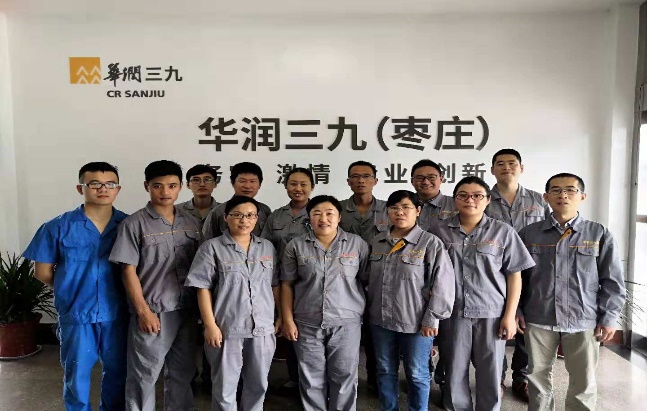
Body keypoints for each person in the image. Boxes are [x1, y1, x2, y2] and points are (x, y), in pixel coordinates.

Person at [23, 162, 128, 411]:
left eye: (110, 184)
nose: (103, 189)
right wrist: (70, 289)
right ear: (81, 188)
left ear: (118, 189)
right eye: (95, 183)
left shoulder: (128, 225)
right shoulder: (57, 227)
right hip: (76, 313)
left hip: (118, 313)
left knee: (118, 371)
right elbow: (42, 272)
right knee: (77, 374)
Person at [518, 173, 626, 411]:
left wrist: (609, 317)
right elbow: (517, 278)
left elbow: (612, 281)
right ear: (546, 197)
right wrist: (517, 310)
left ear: (582, 196)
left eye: (570, 190)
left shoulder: (599, 234)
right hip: (539, 317)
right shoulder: (529, 234)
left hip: (583, 319)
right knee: (536, 378)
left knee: (583, 381)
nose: (563, 195)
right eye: (556, 190)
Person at [429, 176, 535, 411]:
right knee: (453, 370)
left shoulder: (503, 232)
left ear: (488, 200)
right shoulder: (439, 231)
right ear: (455, 200)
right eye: (463, 195)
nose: (470, 200)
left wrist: (509, 316)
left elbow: (514, 275)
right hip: (452, 313)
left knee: (491, 371)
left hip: (491, 313)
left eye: (477, 195)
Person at [109, 160, 201, 411]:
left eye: (172, 185)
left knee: (183, 372)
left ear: (181, 187)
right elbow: (127, 271)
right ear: (146, 186)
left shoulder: (191, 222)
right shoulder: (134, 224)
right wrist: (143, 311)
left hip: (186, 309)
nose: (165, 192)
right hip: (154, 311)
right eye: (158, 186)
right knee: (144, 374)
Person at [361, 189, 455, 411]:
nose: (400, 212)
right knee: (385, 370)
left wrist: (432, 319)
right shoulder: (377, 242)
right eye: (394, 208)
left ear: (418, 211)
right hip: (380, 320)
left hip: (416, 323)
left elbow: (443, 284)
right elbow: (364, 278)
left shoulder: (430, 243)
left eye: (406, 207)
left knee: (417, 373)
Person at [186, 195, 280, 411]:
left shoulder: (267, 248)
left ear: (257, 219)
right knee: (225, 388)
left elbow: (275, 284)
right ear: (226, 218)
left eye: (250, 215)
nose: (244, 220)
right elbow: (202, 288)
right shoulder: (211, 248)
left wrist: (280, 317)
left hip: (262, 329)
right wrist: (210, 325)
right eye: (237, 215)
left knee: (258, 385)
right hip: (226, 329)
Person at [281, 195, 369, 411]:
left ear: (339, 217)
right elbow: (287, 285)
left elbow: (366, 281)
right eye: (317, 213)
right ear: (309, 217)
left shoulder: (357, 244)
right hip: (306, 322)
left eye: (330, 213)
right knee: (311, 379)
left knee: (344, 376)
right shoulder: (296, 246)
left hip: (346, 323)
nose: (323, 218)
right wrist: (288, 320)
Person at [485, 148, 550, 401]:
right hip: (495, 272)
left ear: (521, 168)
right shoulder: (484, 199)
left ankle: (521, 378)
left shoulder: (538, 200)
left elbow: (549, 230)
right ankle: (497, 378)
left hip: (533, 271)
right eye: (500, 163)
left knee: (527, 325)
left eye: (512, 163)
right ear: (492, 169)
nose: (506, 167)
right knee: (495, 324)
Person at [260, 167, 315, 397]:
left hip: (309, 282)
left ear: (312, 187)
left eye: (303, 184)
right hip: (280, 282)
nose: (298, 188)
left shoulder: (318, 212)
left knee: (306, 330)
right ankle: (293, 377)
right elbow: (264, 246)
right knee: (286, 328)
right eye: (293, 184)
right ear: (285, 186)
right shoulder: (276, 216)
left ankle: (310, 382)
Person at [339, 160, 389, 392]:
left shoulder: (388, 209)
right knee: (346, 333)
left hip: (379, 279)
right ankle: (343, 382)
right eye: (355, 176)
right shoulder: (337, 209)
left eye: (366, 176)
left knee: (376, 332)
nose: (361, 180)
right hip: (345, 281)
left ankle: (376, 380)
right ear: (348, 181)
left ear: (375, 181)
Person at [202, 162, 271, 240]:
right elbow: (207, 241)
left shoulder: (265, 211)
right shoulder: (218, 212)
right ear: (232, 183)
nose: (247, 186)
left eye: (252, 181)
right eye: (242, 181)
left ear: (260, 185)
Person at [410, 159, 457, 231]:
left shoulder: (456, 204)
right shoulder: (401, 206)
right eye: (419, 178)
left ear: (441, 179)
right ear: (412, 181)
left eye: (431, 177)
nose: (426, 182)